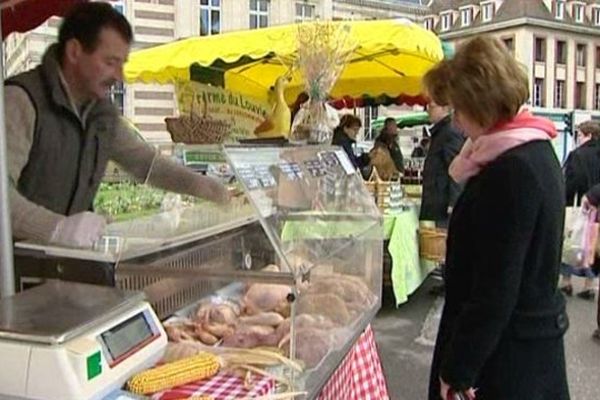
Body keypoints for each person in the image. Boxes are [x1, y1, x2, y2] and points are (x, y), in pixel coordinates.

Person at [5, 4, 229, 250]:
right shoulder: (20, 100)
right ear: (74, 51)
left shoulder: (100, 113)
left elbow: (145, 163)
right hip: (14, 273)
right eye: (110, 62)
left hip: (66, 267)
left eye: (121, 64)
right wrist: (57, 228)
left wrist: (208, 188)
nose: (119, 76)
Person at [424, 36, 570, 400]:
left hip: (506, 362)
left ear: (480, 104)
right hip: (526, 350)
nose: (455, 121)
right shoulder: (535, 151)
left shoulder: (509, 171)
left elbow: (494, 289)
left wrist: (458, 369)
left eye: (458, 109)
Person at [559, 120, 600, 300]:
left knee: (571, 242)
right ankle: (589, 284)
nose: (578, 138)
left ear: (589, 135)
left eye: (580, 135)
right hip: (597, 208)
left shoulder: (577, 155)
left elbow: (571, 181)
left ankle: (566, 281)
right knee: (591, 244)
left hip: (578, 205)